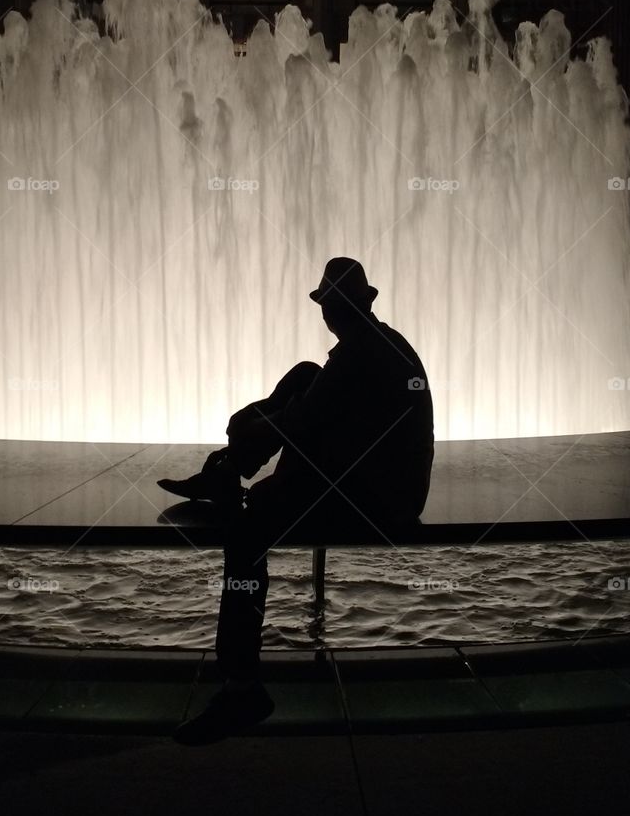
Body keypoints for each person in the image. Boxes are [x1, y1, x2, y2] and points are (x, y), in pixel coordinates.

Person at [159, 257, 434, 742]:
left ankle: (243, 688)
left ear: (331, 311)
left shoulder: (358, 356)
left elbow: (303, 423)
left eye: (326, 306)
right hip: (385, 486)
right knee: (307, 373)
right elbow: (319, 415)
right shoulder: (381, 343)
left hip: (374, 500)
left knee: (246, 535)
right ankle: (226, 471)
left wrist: (249, 424)